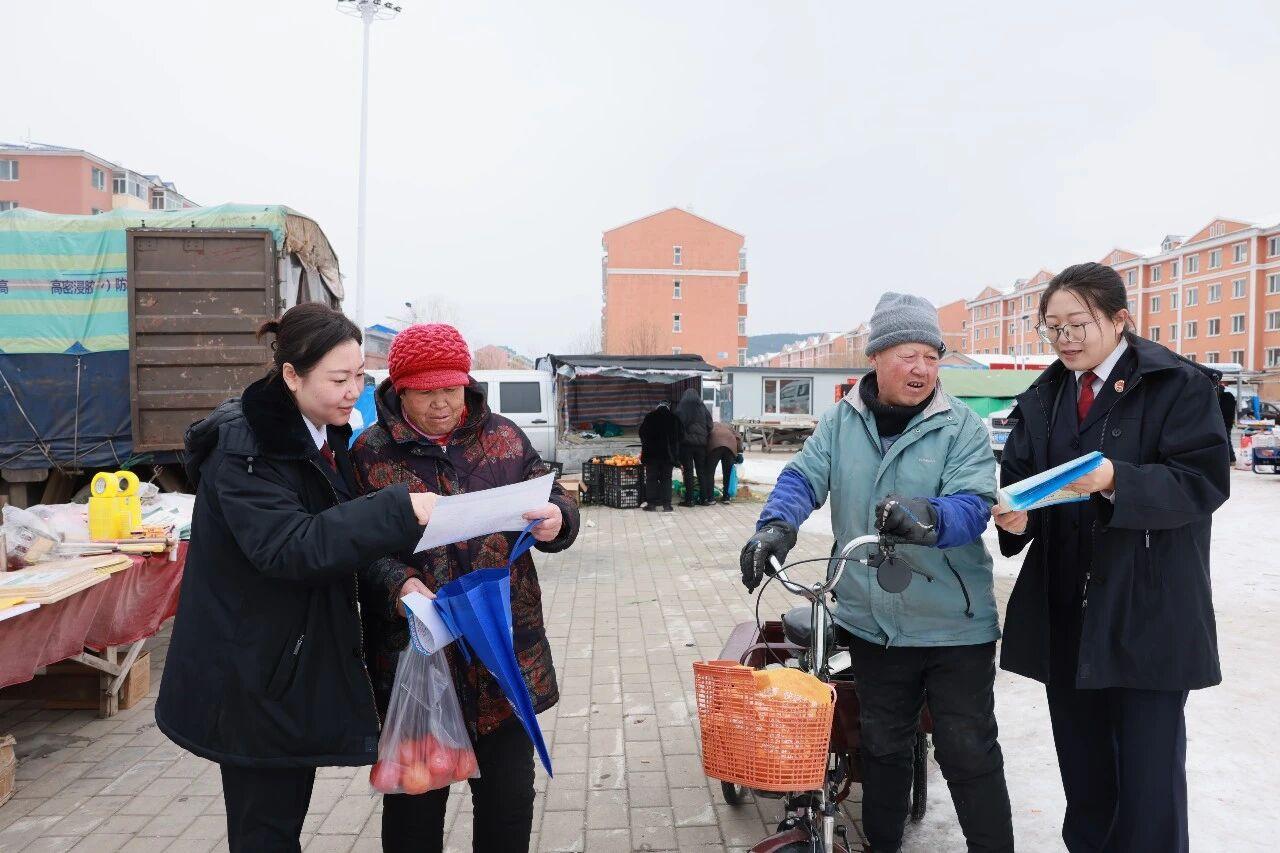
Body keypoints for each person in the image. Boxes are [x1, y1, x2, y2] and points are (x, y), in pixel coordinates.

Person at [155, 303, 438, 853]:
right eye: (338, 378)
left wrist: (395, 579)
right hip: (251, 671)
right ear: (291, 375)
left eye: (360, 376)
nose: (353, 391)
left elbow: (338, 533)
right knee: (265, 831)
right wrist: (397, 509)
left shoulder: (320, 433)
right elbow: (290, 546)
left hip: (284, 664)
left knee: (280, 822)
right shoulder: (247, 448)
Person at [740, 292, 1014, 853]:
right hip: (873, 624)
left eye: (932, 357)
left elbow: (973, 503)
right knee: (883, 747)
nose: (922, 369)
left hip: (953, 625)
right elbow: (802, 478)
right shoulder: (841, 422)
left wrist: (929, 516)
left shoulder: (961, 426)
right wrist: (776, 527)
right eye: (908, 355)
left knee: (967, 750)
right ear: (876, 358)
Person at [993, 262, 1229, 853]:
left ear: (1120, 319)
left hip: (1146, 610)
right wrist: (1018, 518)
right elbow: (1022, 478)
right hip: (1066, 612)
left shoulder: (1176, 384)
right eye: (1053, 327)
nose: (1065, 338)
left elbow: (1202, 482)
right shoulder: (1045, 396)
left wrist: (1116, 479)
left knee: (1149, 784)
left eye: (1078, 324)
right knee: (1086, 777)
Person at [349, 323, 580, 853]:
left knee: (508, 805)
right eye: (425, 392)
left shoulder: (504, 437)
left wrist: (558, 519)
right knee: (414, 811)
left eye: (451, 389)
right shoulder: (369, 453)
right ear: (399, 390)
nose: (441, 404)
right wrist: (398, 582)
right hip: (419, 659)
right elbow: (350, 547)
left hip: (502, 654)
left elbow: (552, 494)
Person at [639, 400, 681, 511]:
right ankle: (667, 505)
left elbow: (641, 433)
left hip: (651, 455)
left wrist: (647, 443)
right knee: (666, 479)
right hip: (668, 455)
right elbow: (681, 435)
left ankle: (651, 504)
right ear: (668, 408)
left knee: (651, 478)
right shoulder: (674, 418)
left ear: (657, 407)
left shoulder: (650, 417)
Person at [675, 387, 712, 506]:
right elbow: (710, 425)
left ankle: (689, 500)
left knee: (688, 472)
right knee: (701, 471)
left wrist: (682, 438)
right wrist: (704, 435)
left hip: (686, 445)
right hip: (701, 445)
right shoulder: (703, 408)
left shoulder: (681, 408)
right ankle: (704, 499)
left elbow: (677, 426)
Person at [705, 419, 743, 504]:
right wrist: (740, 452)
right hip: (730, 448)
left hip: (714, 447)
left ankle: (710, 498)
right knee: (727, 473)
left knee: (710, 473)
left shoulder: (710, 426)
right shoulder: (728, 427)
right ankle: (726, 497)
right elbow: (738, 437)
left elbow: (705, 438)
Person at [1219, 387, 1237, 464]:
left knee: (1226, 441)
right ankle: (1231, 459)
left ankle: (1231, 459)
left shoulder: (1223, 398)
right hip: (1229, 422)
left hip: (1223, 423)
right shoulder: (1230, 397)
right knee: (1227, 440)